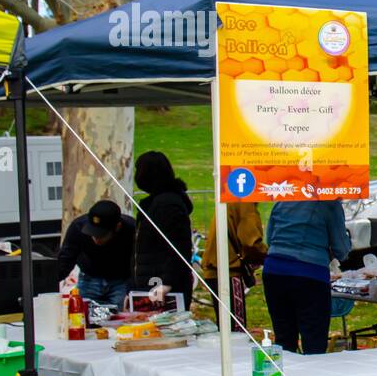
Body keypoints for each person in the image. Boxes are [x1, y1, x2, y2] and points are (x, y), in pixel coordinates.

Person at [261, 200, 351, 355]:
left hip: (274, 271)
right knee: (314, 339)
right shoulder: (329, 203)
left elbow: (269, 239)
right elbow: (341, 249)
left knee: (283, 337)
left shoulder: (283, 201)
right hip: (309, 274)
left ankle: (282, 375)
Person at [132, 151, 194, 308]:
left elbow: (179, 246)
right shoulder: (153, 203)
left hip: (163, 285)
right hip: (149, 280)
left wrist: (167, 283)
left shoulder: (167, 204)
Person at [57, 199, 135, 307]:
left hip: (120, 280)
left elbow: (137, 262)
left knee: (119, 315)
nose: (96, 239)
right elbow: (65, 260)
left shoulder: (131, 229)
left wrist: (131, 289)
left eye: (102, 235)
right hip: (89, 278)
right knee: (83, 315)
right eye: (92, 233)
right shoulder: (78, 226)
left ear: (117, 227)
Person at [203, 202, 267, 331]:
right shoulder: (245, 201)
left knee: (227, 327)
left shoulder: (230, 198)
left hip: (218, 266)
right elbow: (250, 240)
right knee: (235, 331)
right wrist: (266, 256)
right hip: (228, 269)